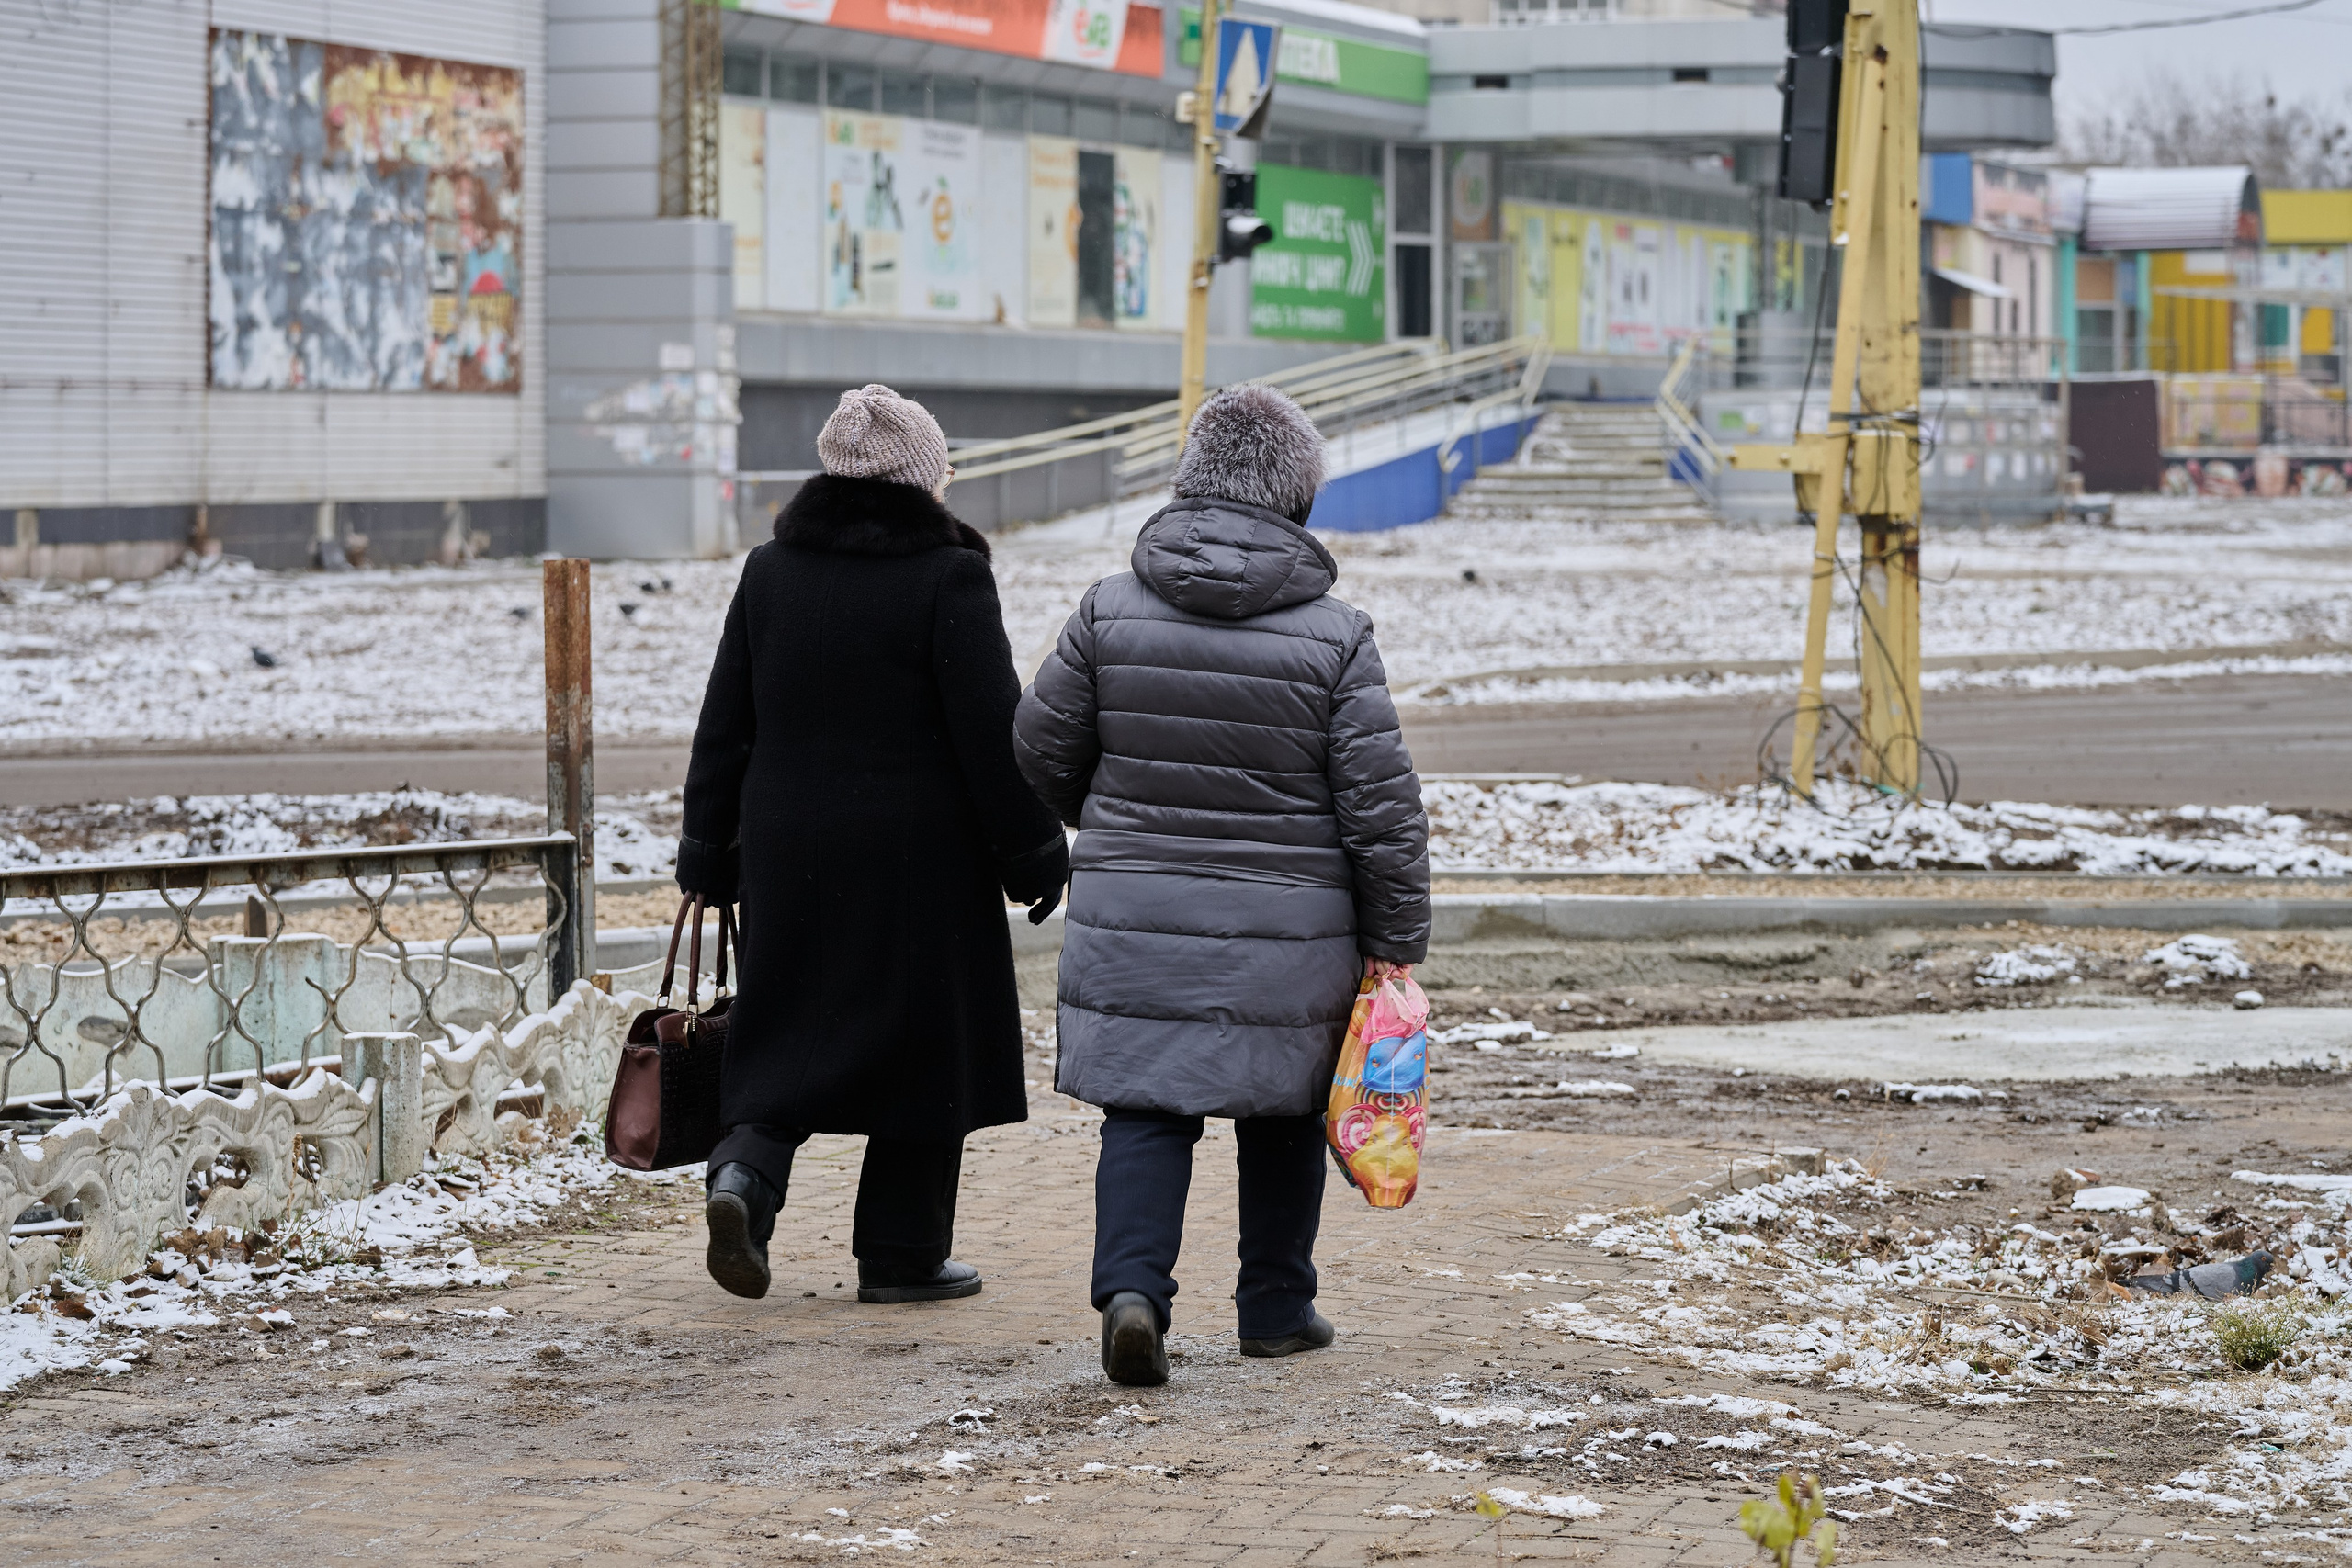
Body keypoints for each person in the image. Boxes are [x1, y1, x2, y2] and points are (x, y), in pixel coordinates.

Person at [1012, 383, 1430, 1386]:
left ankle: (1130, 1296)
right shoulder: (1334, 636)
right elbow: (1380, 808)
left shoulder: (1110, 610)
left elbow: (1035, 747)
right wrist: (1397, 937)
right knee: (1283, 1111)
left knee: (1145, 1110)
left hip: (1136, 914)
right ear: (1295, 501)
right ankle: (1277, 1310)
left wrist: (1106, 819)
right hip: (1291, 931)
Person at [676, 383, 1069, 1304]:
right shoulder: (948, 576)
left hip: (786, 848)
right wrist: (1033, 855)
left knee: (782, 1030)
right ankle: (899, 1256)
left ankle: (742, 1177)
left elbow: (724, 721)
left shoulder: (770, 570)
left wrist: (706, 852)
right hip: (916, 862)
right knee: (925, 1049)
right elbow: (990, 732)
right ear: (921, 477)